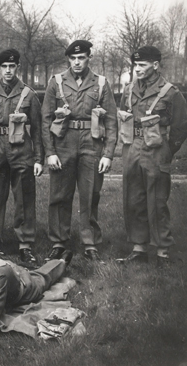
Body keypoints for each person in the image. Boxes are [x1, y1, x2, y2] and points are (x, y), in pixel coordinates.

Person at [41, 40, 118, 263]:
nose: (77, 62)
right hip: (63, 141)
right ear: (68, 59)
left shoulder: (101, 83)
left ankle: (90, 242)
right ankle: (58, 241)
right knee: (59, 194)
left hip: (91, 144)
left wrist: (108, 153)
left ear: (88, 58)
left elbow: (111, 120)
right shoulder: (56, 82)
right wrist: (50, 152)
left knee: (90, 193)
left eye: (81, 57)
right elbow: (46, 119)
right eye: (73, 58)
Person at [115, 46, 187, 265]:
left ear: (155, 66)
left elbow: (181, 125)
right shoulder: (129, 90)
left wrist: (168, 150)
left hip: (156, 149)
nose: (137, 69)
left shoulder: (170, 92)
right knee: (134, 197)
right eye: (136, 65)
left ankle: (162, 250)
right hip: (132, 147)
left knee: (157, 200)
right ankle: (139, 248)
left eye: (142, 65)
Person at [0, 49, 44, 265]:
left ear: (17, 67)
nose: (8, 71)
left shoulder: (28, 94)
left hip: (21, 150)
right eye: (4, 67)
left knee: (24, 198)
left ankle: (25, 245)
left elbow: (37, 129)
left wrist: (38, 159)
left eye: (12, 66)